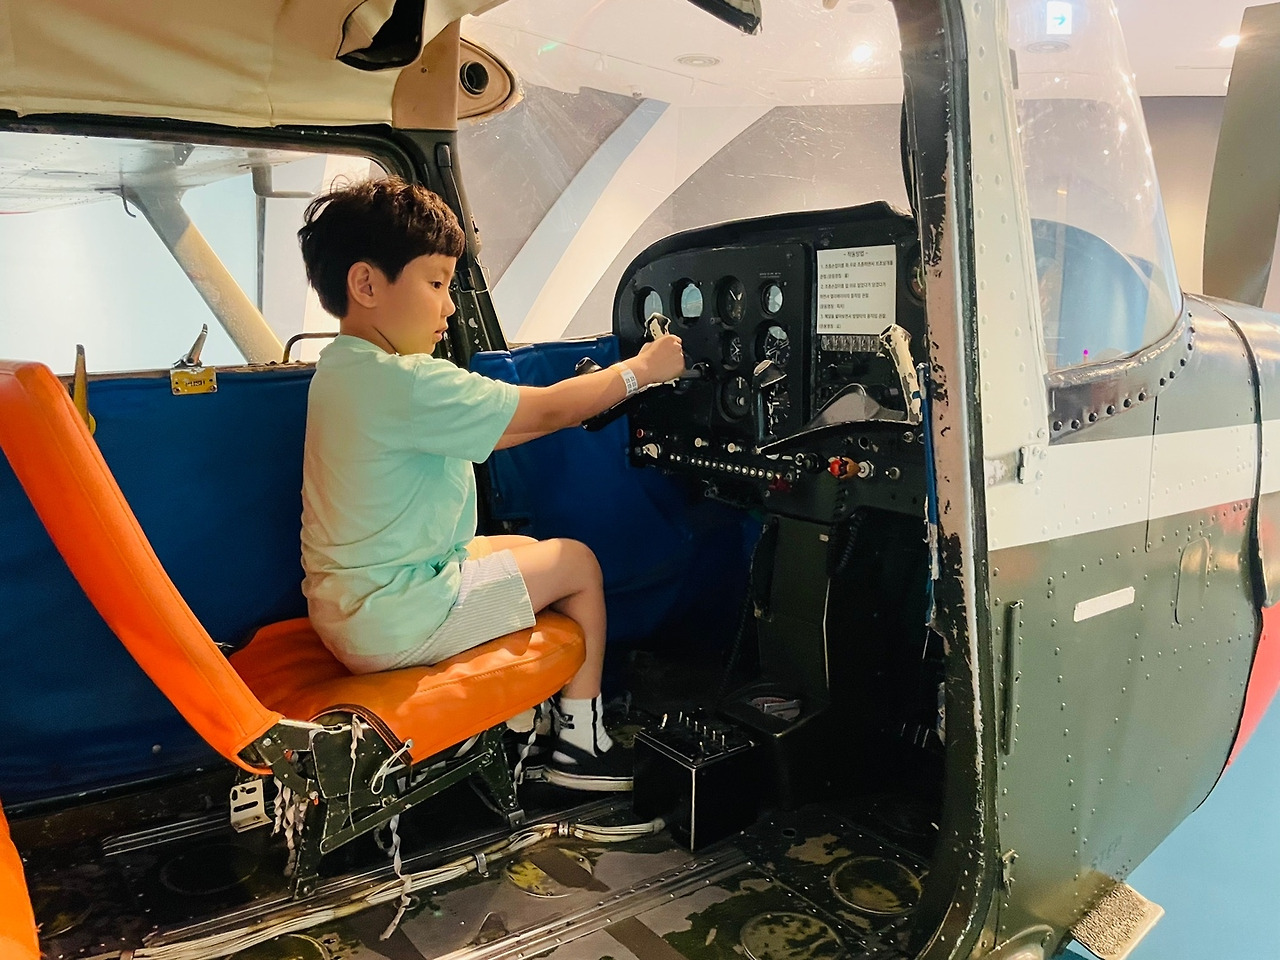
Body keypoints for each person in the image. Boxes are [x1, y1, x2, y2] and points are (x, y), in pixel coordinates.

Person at [296, 177, 684, 791]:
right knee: (578, 564)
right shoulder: (408, 384)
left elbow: (509, 427)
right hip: (397, 617)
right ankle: (581, 746)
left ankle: (527, 719)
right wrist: (641, 370)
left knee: (530, 551)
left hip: (356, 604)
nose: (450, 308)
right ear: (366, 285)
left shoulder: (346, 370)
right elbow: (548, 411)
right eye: (436, 284)